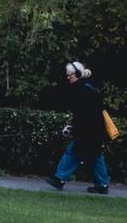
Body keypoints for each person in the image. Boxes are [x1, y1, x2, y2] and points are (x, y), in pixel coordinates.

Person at [46, 61, 110, 194]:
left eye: (70, 75)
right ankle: (102, 185)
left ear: (78, 74)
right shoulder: (87, 87)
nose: (68, 78)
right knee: (94, 156)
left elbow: (85, 114)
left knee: (75, 152)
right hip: (93, 130)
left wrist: (74, 128)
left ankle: (59, 179)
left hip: (88, 131)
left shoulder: (82, 89)